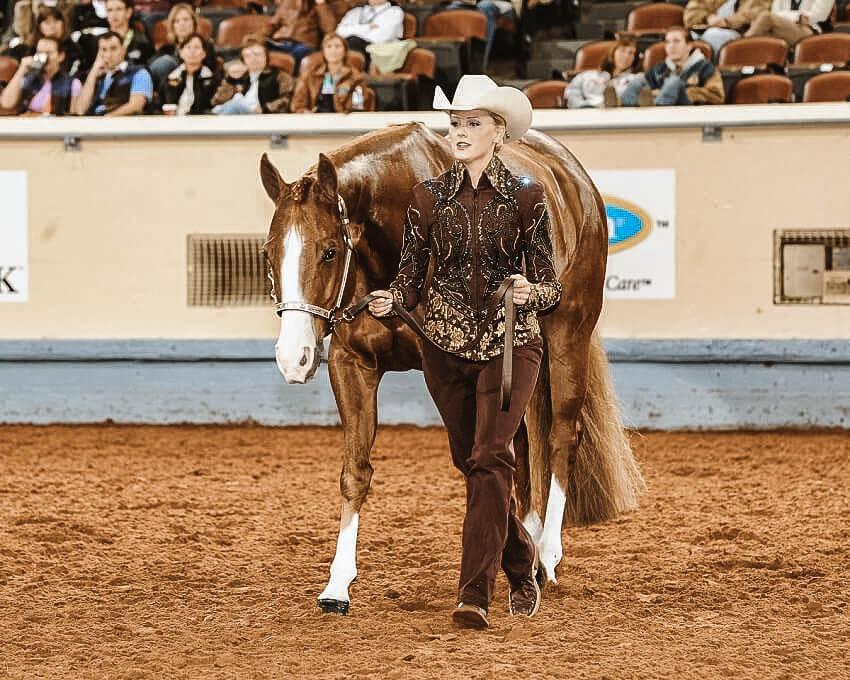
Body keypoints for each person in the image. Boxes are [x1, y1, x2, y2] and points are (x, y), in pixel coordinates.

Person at [367, 74, 561, 629]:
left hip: (511, 346)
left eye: (472, 123)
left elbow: (552, 284)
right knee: (472, 463)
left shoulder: (526, 195)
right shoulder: (427, 197)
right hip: (444, 348)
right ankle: (522, 561)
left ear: (498, 133)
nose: (460, 132)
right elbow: (409, 279)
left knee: (491, 457)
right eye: (455, 123)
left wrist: (531, 290)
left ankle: (474, 593)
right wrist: (390, 300)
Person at [620, 25, 724, 106]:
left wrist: (685, 92)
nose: (671, 46)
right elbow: (645, 93)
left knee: (674, 82)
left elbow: (717, 96)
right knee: (638, 80)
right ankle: (621, 107)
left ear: (689, 46)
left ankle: (659, 109)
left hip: (686, 113)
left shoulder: (705, 67)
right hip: (653, 106)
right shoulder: (659, 68)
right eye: (667, 42)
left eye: (676, 41)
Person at [211, 35, 295, 115]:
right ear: (243, 60)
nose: (253, 59)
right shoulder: (238, 76)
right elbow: (217, 101)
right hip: (235, 117)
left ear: (266, 56)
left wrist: (265, 108)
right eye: (248, 55)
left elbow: (287, 99)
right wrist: (230, 80)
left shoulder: (280, 76)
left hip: (262, 118)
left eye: (257, 54)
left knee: (237, 105)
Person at [74, 30, 153, 115]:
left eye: (113, 48)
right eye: (103, 50)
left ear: (123, 50)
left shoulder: (139, 73)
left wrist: (106, 120)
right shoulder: (96, 77)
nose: (108, 54)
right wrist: (93, 72)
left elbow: (136, 106)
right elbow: (80, 110)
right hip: (96, 124)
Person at [266, 0, 357, 71]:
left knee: (297, 53)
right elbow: (272, 24)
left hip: (305, 44)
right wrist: (257, 39)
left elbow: (330, 31)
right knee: (259, 50)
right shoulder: (289, 1)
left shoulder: (335, 4)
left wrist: (321, 4)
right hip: (280, 42)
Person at [290, 32, 370, 112]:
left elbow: (358, 106)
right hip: (315, 120)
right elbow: (297, 105)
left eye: (337, 46)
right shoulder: (310, 75)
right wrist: (306, 112)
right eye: (329, 46)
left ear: (345, 51)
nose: (333, 50)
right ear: (323, 51)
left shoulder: (355, 77)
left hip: (343, 120)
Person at [0, 35, 81, 114]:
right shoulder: (29, 79)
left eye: (48, 53)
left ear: (61, 56)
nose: (44, 57)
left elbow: (74, 116)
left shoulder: (72, 83)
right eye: (40, 52)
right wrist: (22, 69)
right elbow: (6, 103)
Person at [147, 3, 218, 89]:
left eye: (186, 19)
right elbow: (148, 70)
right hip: (167, 91)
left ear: (193, 22)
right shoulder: (166, 49)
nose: (182, 24)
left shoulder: (205, 46)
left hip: (198, 89)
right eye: (177, 21)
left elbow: (210, 73)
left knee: (165, 63)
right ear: (173, 26)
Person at [3, 5, 84, 78]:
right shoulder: (26, 49)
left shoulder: (74, 50)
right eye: (47, 22)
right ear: (39, 27)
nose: (52, 26)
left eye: (56, 21)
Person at [565, 32, 640, 109]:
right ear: (613, 52)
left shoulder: (634, 79)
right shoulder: (587, 76)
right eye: (622, 51)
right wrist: (582, 106)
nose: (626, 56)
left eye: (631, 53)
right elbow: (572, 92)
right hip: (586, 113)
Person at [446, 0, 518, 71]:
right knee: (452, 7)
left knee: (484, 7)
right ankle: (451, 68)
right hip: (473, 3)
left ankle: (479, 69)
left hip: (504, 4)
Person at [157, 32, 219, 114]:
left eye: (196, 47)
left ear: (204, 54)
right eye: (188, 47)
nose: (192, 51)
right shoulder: (170, 78)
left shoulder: (212, 80)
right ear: (181, 53)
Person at [334, 0, 403, 70]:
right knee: (335, 45)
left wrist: (352, 29)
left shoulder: (394, 12)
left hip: (373, 49)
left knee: (352, 41)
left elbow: (379, 37)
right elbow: (339, 32)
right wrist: (367, 27)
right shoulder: (356, 11)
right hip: (349, 44)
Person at [684, 0, 771, 55]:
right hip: (702, 28)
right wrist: (707, 18)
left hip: (738, 32)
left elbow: (757, 14)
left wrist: (726, 21)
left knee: (713, 35)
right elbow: (691, 11)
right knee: (681, 38)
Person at [745, 0, 835, 43]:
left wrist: (787, 16)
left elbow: (819, 15)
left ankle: (738, 48)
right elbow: (774, 13)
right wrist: (796, 17)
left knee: (765, 17)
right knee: (762, 29)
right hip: (784, 27)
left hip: (812, 31)